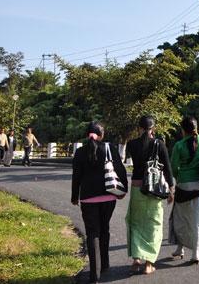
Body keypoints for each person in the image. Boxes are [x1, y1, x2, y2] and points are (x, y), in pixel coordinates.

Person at [71, 121, 128, 283]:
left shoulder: (80, 152)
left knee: (92, 233)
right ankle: (105, 264)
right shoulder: (109, 149)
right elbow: (121, 170)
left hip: (88, 199)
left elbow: (76, 176)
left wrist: (75, 196)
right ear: (102, 135)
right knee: (104, 228)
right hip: (109, 196)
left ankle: (94, 276)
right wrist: (123, 191)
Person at [125, 116, 174, 275]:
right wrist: (171, 190)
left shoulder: (131, 144)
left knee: (136, 223)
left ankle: (136, 261)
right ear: (154, 128)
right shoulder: (159, 144)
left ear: (139, 128)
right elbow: (167, 169)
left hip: (137, 188)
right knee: (153, 224)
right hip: (154, 190)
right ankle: (148, 264)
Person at [170, 117, 199, 265]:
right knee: (197, 221)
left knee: (181, 219)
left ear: (183, 130)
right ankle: (195, 253)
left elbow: (173, 167)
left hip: (183, 187)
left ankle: (180, 248)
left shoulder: (179, 145)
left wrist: (180, 178)